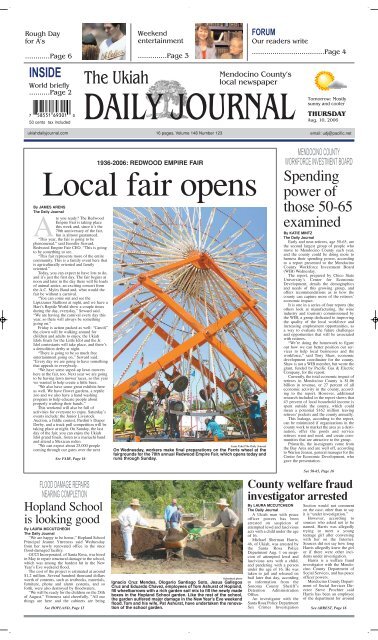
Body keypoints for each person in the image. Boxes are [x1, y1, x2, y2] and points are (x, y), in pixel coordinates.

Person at [210, 498, 239, 563]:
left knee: (228, 542)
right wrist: (211, 525)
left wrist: (232, 526)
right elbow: (218, 521)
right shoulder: (221, 512)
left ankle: (229, 559)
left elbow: (236, 518)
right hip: (226, 527)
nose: (218, 506)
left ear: (223, 505)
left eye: (219, 505)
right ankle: (228, 556)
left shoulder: (229, 511)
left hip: (231, 527)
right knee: (227, 542)